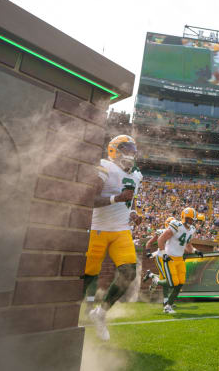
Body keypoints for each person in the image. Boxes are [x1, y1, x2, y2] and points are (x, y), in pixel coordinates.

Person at [82, 135, 143, 341]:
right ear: (114, 150)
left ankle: (101, 313)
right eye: (126, 148)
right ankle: (66, 315)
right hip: (98, 228)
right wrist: (115, 198)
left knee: (128, 273)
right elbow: (90, 199)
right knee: (87, 274)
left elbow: (130, 200)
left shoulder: (136, 175)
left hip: (121, 230)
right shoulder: (104, 167)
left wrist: (133, 213)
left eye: (133, 150)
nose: (131, 153)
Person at [145, 208, 204, 314]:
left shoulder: (192, 229)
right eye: (188, 219)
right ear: (183, 217)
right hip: (170, 257)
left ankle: (168, 306)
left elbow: (188, 245)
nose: (190, 221)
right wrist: (163, 254)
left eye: (192, 220)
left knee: (180, 283)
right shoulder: (176, 225)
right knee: (173, 283)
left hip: (180, 258)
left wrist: (196, 251)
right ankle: (155, 279)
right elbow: (160, 239)